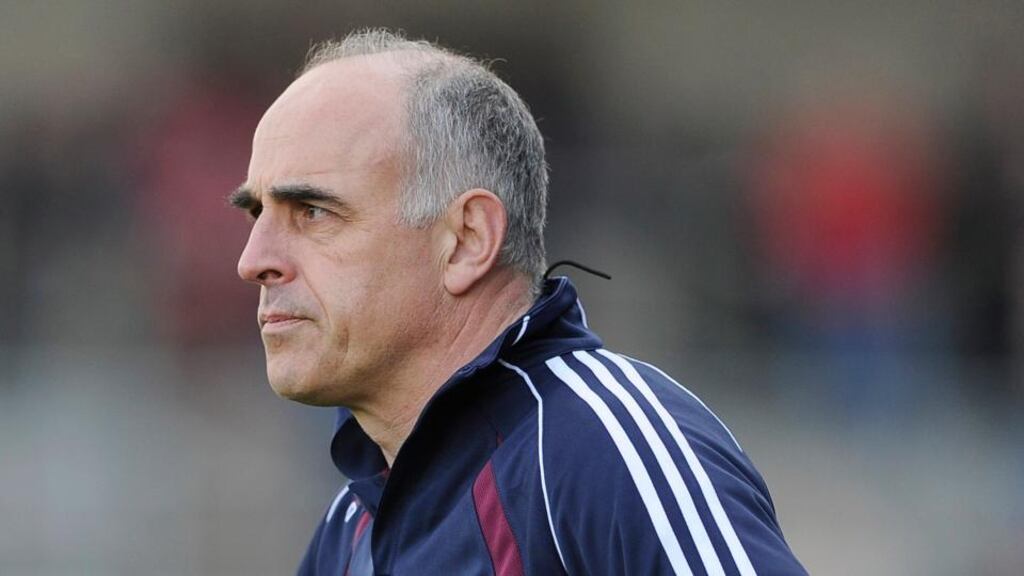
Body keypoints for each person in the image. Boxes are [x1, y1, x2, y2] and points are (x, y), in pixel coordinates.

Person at [230, 28, 806, 576]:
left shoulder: (601, 451)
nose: (253, 260)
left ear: (467, 240)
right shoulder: (351, 525)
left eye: (313, 212)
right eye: (257, 214)